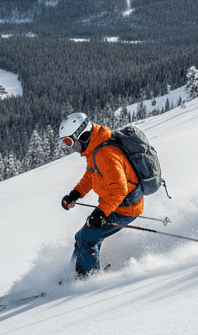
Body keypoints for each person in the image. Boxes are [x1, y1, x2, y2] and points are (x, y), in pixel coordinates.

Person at [58, 112, 144, 276]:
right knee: (81, 237)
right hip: (114, 204)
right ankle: (74, 272)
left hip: (124, 207)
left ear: (81, 134)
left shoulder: (106, 154)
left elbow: (119, 189)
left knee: (87, 238)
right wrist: (75, 194)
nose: (71, 148)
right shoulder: (94, 149)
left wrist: (100, 213)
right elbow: (91, 175)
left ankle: (87, 279)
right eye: (65, 143)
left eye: (69, 141)